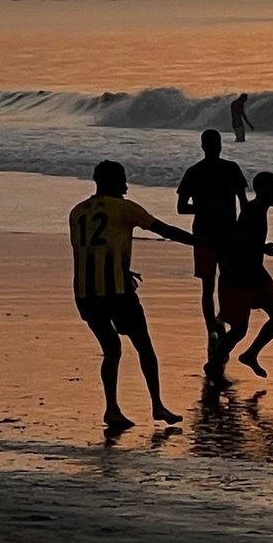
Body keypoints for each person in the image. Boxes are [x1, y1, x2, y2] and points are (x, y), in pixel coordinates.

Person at [68, 159, 196, 430]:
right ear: (111, 182)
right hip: (116, 292)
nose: (126, 185)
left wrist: (124, 269)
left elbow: (91, 250)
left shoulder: (77, 212)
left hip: (85, 293)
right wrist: (204, 242)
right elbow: (166, 231)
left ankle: (112, 409)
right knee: (143, 346)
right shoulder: (125, 208)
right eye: (122, 180)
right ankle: (157, 405)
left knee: (111, 350)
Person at [177, 129, 249, 369]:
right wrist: (244, 228)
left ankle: (213, 327)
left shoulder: (194, 172)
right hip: (227, 234)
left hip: (205, 234)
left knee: (208, 285)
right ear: (219, 145)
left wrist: (204, 209)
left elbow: (181, 207)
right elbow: (244, 202)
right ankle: (221, 321)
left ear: (202, 146)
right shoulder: (231, 169)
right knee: (226, 281)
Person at [216, 170, 273, 378]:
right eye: (272, 189)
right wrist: (262, 248)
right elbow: (239, 241)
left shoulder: (258, 209)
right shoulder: (253, 210)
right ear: (263, 191)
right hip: (239, 275)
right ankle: (215, 362)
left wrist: (260, 248)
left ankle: (250, 354)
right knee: (239, 330)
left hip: (256, 273)